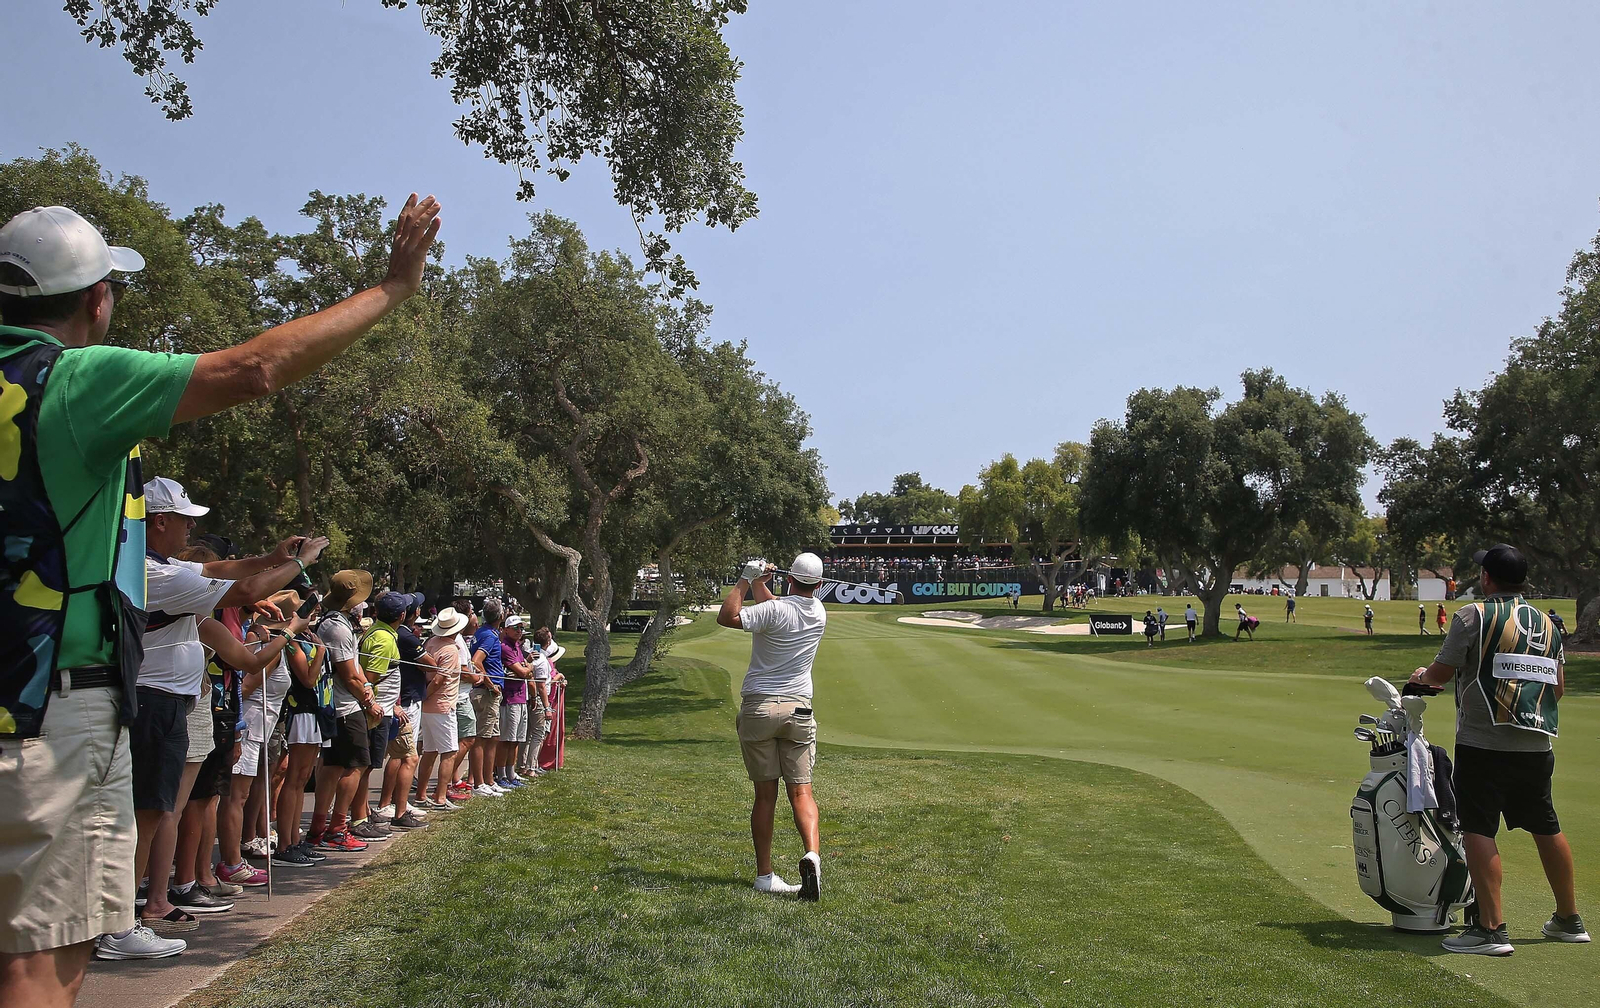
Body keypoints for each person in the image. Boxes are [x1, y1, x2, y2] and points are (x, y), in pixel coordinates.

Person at [0, 195, 439, 1002]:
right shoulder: (71, 380)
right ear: (97, 298)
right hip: (45, 716)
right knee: (39, 958)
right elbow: (255, 367)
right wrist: (392, 289)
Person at [122, 479, 323, 942]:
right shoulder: (157, 574)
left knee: (154, 813)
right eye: (185, 519)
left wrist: (275, 556)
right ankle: (125, 919)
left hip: (169, 702)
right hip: (154, 702)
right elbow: (244, 587)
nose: (191, 528)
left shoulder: (161, 564)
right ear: (158, 521)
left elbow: (228, 568)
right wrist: (297, 564)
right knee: (148, 813)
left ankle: (133, 913)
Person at [1408, 544, 1587, 954]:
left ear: (1487, 578)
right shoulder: (1547, 623)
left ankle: (1490, 929)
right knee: (1546, 825)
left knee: (1478, 827)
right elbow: (1556, 690)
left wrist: (1420, 677)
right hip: (1537, 745)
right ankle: (1568, 919)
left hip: (1483, 743)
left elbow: (1439, 674)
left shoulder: (1473, 614)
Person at [717, 553, 828, 901]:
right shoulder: (819, 613)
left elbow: (728, 616)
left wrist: (746, 579)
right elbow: (778, 609)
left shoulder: (776, 611)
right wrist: (761, 584)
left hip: (760, 708)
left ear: (789, 578)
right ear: (819, 585)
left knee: (765, 796)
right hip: (799, 711)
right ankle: (813, 855)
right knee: (802, 792)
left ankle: (765, 875)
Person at [306, 570, 382, 852]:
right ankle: (337, 828)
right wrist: (368, 701)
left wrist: (365, 687)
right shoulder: (336, 628)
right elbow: (348, 674)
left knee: (333, 766)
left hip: (340, 706)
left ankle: (318, 827)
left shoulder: (334, 622)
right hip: (345, 708)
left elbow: (355, 668)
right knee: (356, 765)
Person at [378, 593, 433, 831]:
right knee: (405, 756)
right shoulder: (405, 637)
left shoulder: (398, 634)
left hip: (402, 699)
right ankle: (396, 807)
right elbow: (431, 664)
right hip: (405, 701)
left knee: (401, 755)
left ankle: (390, 804)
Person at [415, 607, 469, 810]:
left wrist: (424, 698)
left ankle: (421, 795)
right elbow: (439, 680)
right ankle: (439, 797)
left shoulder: (431, 642)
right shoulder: (451, 650)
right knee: (449, 751)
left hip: (429, 707)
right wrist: (426, 695)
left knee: (430, 750)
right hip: (443, 705)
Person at [469, 602, 507, 797]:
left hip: (491, 694)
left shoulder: (485, 633)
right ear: (500, 616)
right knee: (481, 738)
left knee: (493, 737)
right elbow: (476, 661)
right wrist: (490, 684)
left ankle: (489, 780)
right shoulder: (489, 636)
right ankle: (479, 784)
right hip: (486, 693)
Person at [495, 615, 533, 788]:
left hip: (521, 697)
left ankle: (512, 773)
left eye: (521, 628)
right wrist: (529, 667)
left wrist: (526, 668)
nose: (519, 631)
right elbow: (524, 672)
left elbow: (523, 670)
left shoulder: (517, 646)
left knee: (517, 739)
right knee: (506, 739)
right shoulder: (505, 648)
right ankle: (501, 775)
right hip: (510, 699)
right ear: (506, 629)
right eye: (516, 628)